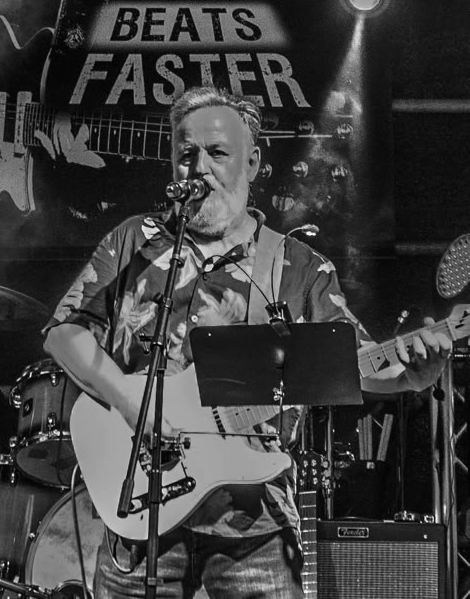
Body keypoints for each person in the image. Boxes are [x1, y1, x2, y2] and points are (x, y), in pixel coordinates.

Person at [43, 84, 452, 598]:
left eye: (218, 153)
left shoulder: (298, 266)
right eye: (186, 155)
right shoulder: (134, 241)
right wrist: (128, 399)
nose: (199, 168)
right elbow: (64, 333)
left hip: (254, 524)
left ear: (253, 162)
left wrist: (410, 375)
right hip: (142, 512)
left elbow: (355, 362)